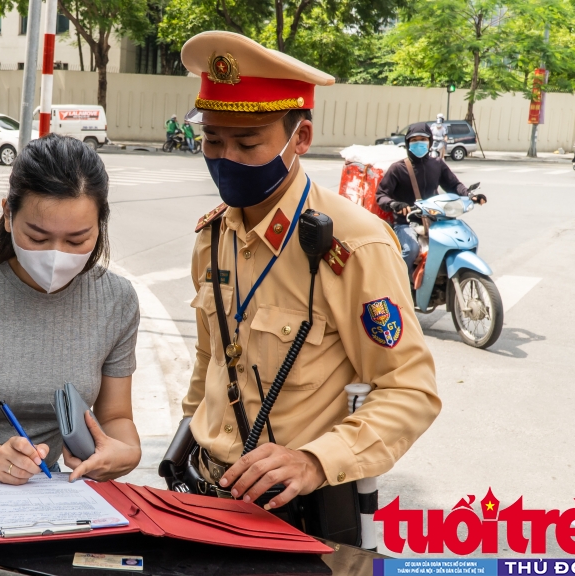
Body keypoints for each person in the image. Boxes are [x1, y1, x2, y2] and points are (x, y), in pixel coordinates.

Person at [177, 31, 440, 534]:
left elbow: (409, 389)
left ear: (300, 139)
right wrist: (188, 432)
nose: (225, 156)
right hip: (204, 493)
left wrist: (317, 461)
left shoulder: (355, 244)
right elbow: (209, 359)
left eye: (248, 142)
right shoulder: (213, 236)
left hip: (299, 513)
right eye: (212, 139)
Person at [0, 134, 142, 485]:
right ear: (8, 214)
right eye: (37, 238)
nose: (56, 254)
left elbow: (115, 415)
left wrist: (125, 451)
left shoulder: (116, 299)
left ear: (100, 225)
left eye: (77, 240)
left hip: (57, 487)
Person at [376, 122, 487, 274]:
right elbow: (381, 195)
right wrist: (395, 204)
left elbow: (454, 185)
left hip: (437, 220)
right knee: (411, 249)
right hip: (407, 223)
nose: (418, 143)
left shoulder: (437, 164)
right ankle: (400, 287)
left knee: (460, 241)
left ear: (430, 142)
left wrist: (470, 195)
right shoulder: (398, 168)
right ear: (408, 143)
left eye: (423, 139)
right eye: (414, 140)